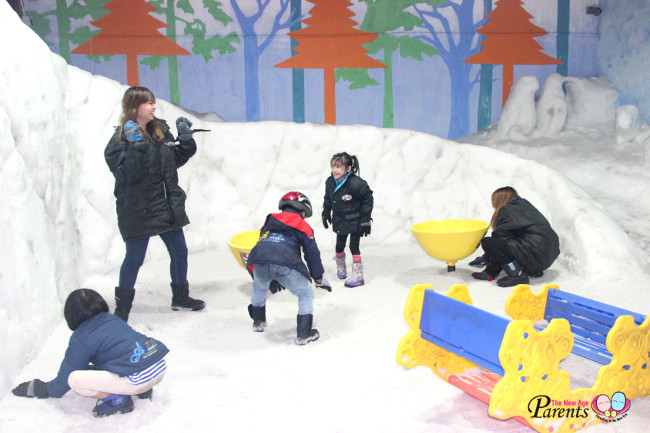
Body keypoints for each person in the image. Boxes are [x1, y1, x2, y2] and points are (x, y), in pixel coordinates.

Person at [104, 86, 205, 322]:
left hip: (166, 205)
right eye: (148, 102)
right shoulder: (120, 139)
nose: (153, 106)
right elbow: (125, 174)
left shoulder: (160, 131)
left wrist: (185, 141)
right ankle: (122, 308)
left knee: (180, 252)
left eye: (153, 102)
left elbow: (172, 161)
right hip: (138, 209)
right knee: (135, 258)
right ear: (134, 106)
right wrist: (135, 146)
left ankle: (180, 297)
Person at [11, 289, 169, 417]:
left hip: (137, 380)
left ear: (71, 315)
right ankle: (144, 388)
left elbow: (63, 382)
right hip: (156, 366)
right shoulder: (112, 319)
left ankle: (117, 400)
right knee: (111, 359)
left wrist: (39, 388)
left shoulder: (81, 338)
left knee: (75, 379)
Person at [246, 192, 331, 345]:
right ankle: (304, 334)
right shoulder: (303, 225)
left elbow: (262, 244)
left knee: (259, 287)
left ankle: (258, 321)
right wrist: (318, 277)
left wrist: (269, 276)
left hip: (258, 260)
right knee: (306, 293)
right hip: (284, 264)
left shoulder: (269, 220)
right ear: (303, 211)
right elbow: (312, 254)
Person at [471, 186, 560, 287]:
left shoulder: (507, 211)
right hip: (547, 255)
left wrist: (489, 264)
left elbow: (499, 242)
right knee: (508, 243)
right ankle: (532, 269)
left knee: (488, 242)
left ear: (499, 199)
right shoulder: (524, 206)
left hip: (536, 255)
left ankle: (517, 275)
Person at [322, 152, 374, 287]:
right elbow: (327, 198)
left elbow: (368, 199)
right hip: (340, 221)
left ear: (348, 169)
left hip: (356, 221)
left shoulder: (356, 183)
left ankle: (358, 276)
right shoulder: (330, 182)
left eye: (339, 166)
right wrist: (326, 212)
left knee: (353, 246)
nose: (335, 170)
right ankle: (341, 267)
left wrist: (365, 220)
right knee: (339, 246)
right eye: (333, 166)